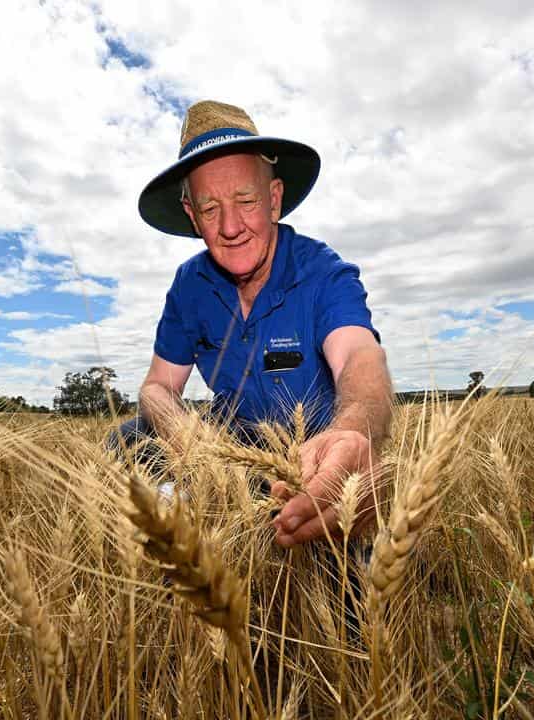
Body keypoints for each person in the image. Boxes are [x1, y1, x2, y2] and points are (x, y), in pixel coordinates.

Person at [113, 100, 393, 548]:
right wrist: (183, 431)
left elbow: (360, 355)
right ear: (191, 215)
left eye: (245, 200)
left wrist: (353, 431)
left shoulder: (324, 272)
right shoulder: (189, 285)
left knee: (354, 578)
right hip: (232, 453)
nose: (230, 226)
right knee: (126, 440)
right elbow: (157, 385)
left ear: (274, 198)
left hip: (310, 460)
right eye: (209, 208)